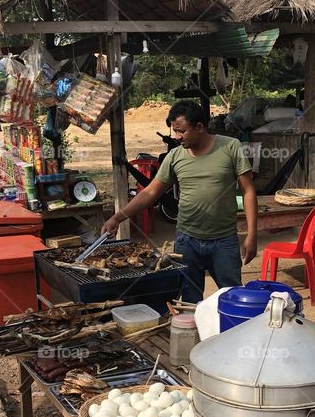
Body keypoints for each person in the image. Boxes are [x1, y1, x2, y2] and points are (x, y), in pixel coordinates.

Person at [101, 101, 258, 303]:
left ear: (200, 127)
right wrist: (118, 217)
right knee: (189, 299)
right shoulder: (175, 156)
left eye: (181, 131)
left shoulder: (230, 147)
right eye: (175, 131)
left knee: (233, 298)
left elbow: (248, 191)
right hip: (187, 242)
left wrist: (252, 234)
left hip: (224, 241)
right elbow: (150, 192)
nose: (177, 137)